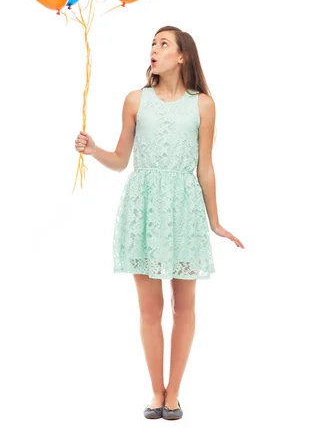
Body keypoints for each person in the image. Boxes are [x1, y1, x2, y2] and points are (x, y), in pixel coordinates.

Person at [74, 25, 244, 420]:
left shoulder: (203, 105)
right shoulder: (136, 100)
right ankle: (156, 391)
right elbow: (120, 160)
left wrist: (215, 221)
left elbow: (205, 167)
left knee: (183, 307)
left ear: (182, 56)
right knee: (149, 308)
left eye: (163, 44)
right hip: (145, 206)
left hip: (183, 208)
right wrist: (94, 149)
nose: (154, 49)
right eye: (152, 43)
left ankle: (174, 394)